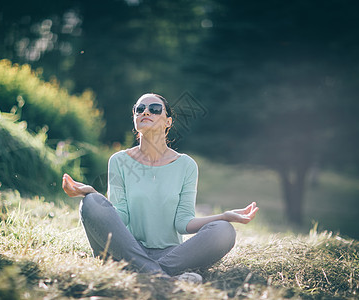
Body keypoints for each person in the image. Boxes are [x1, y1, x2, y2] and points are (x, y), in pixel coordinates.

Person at [62, 93, 259, 283]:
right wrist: (94, 194)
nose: (145, 112)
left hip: (171, 254)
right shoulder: (119, 161)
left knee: (224, 230)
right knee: (91, 202)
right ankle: (166, 279)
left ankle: (144, 272)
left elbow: (183, 222)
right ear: (134, 118)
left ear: (168, 122)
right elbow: (120, 217)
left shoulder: (186, 165)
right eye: (139, 109)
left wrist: (224, 216)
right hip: (125, 249)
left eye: (154, 109)